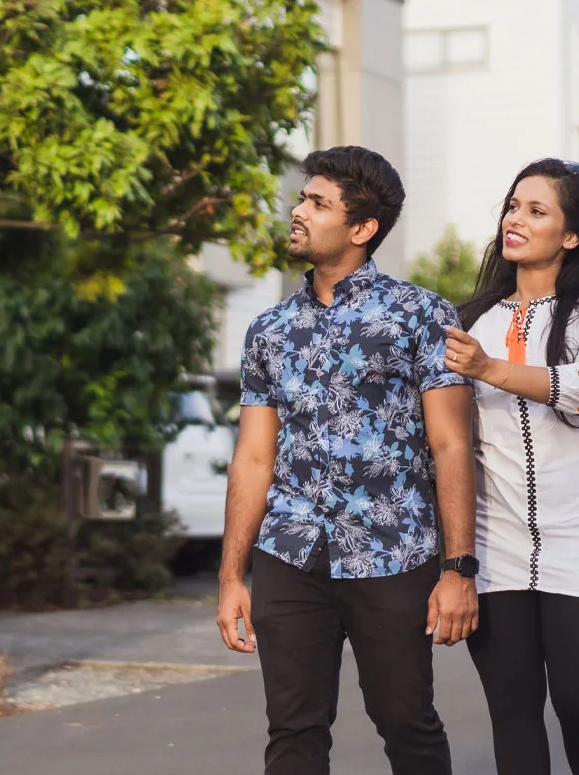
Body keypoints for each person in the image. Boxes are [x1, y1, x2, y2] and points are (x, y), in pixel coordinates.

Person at [217, 145, 481, 775]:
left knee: (406, 724)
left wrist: (458, 569)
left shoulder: (420, 317)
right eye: (302, 197)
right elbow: (254, 457)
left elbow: (451, 445)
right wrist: (232, 576)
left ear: (362, 229)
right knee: (294, 732)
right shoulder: (270, 329)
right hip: (290, 556)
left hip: (392, 554)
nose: (297, 210)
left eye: (317, 202)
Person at [441, 157, 579, 775]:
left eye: (536, 210)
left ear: (572, 233)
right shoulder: (476, 319)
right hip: (496, 546)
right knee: (514, 713)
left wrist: (490, 370)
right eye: (512, 207)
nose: (516, 220)